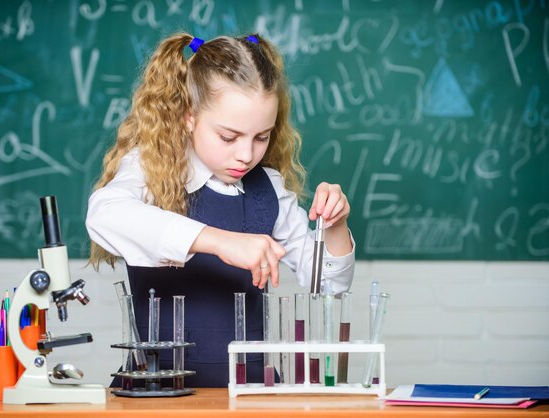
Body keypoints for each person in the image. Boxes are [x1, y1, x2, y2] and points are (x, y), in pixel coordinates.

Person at [86, 32, 355, 388]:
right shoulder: (149, 170)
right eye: (229, 137)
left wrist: (334, 225)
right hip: (157, 395)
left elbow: (330, 285)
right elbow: (104, 214)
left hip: (249, 393)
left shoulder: (268, 188)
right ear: (188, 117)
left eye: (262, 137)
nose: (246, 154)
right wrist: (219, 241)